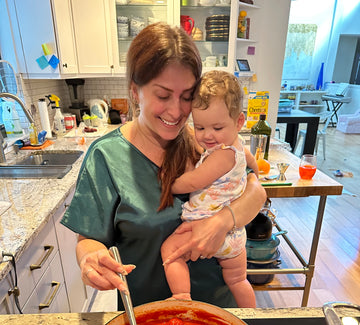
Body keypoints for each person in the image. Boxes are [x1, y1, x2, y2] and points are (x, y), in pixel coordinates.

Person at [61, 22, 266, 309]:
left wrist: (220, 222)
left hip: (221, 308)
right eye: (162, 95)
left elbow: (256, 191)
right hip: (151, 315)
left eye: (187, 97)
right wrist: (89, 259)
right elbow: (88, 240)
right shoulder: (106, 157)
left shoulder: (206, 142)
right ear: (135, 91)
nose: (176, 111)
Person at [161, 71, 256, 307]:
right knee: (238, 279)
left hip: (204, 225)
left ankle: (182, 296)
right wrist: (254, 171)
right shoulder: (237, 147)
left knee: (170, 250)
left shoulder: (223, 155)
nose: (207, 136)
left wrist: (170, 184)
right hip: (235, 236)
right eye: (200, 127)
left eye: (217, 127)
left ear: (239, 122)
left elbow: (194, 182)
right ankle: (254, 318)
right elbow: (251, 161)